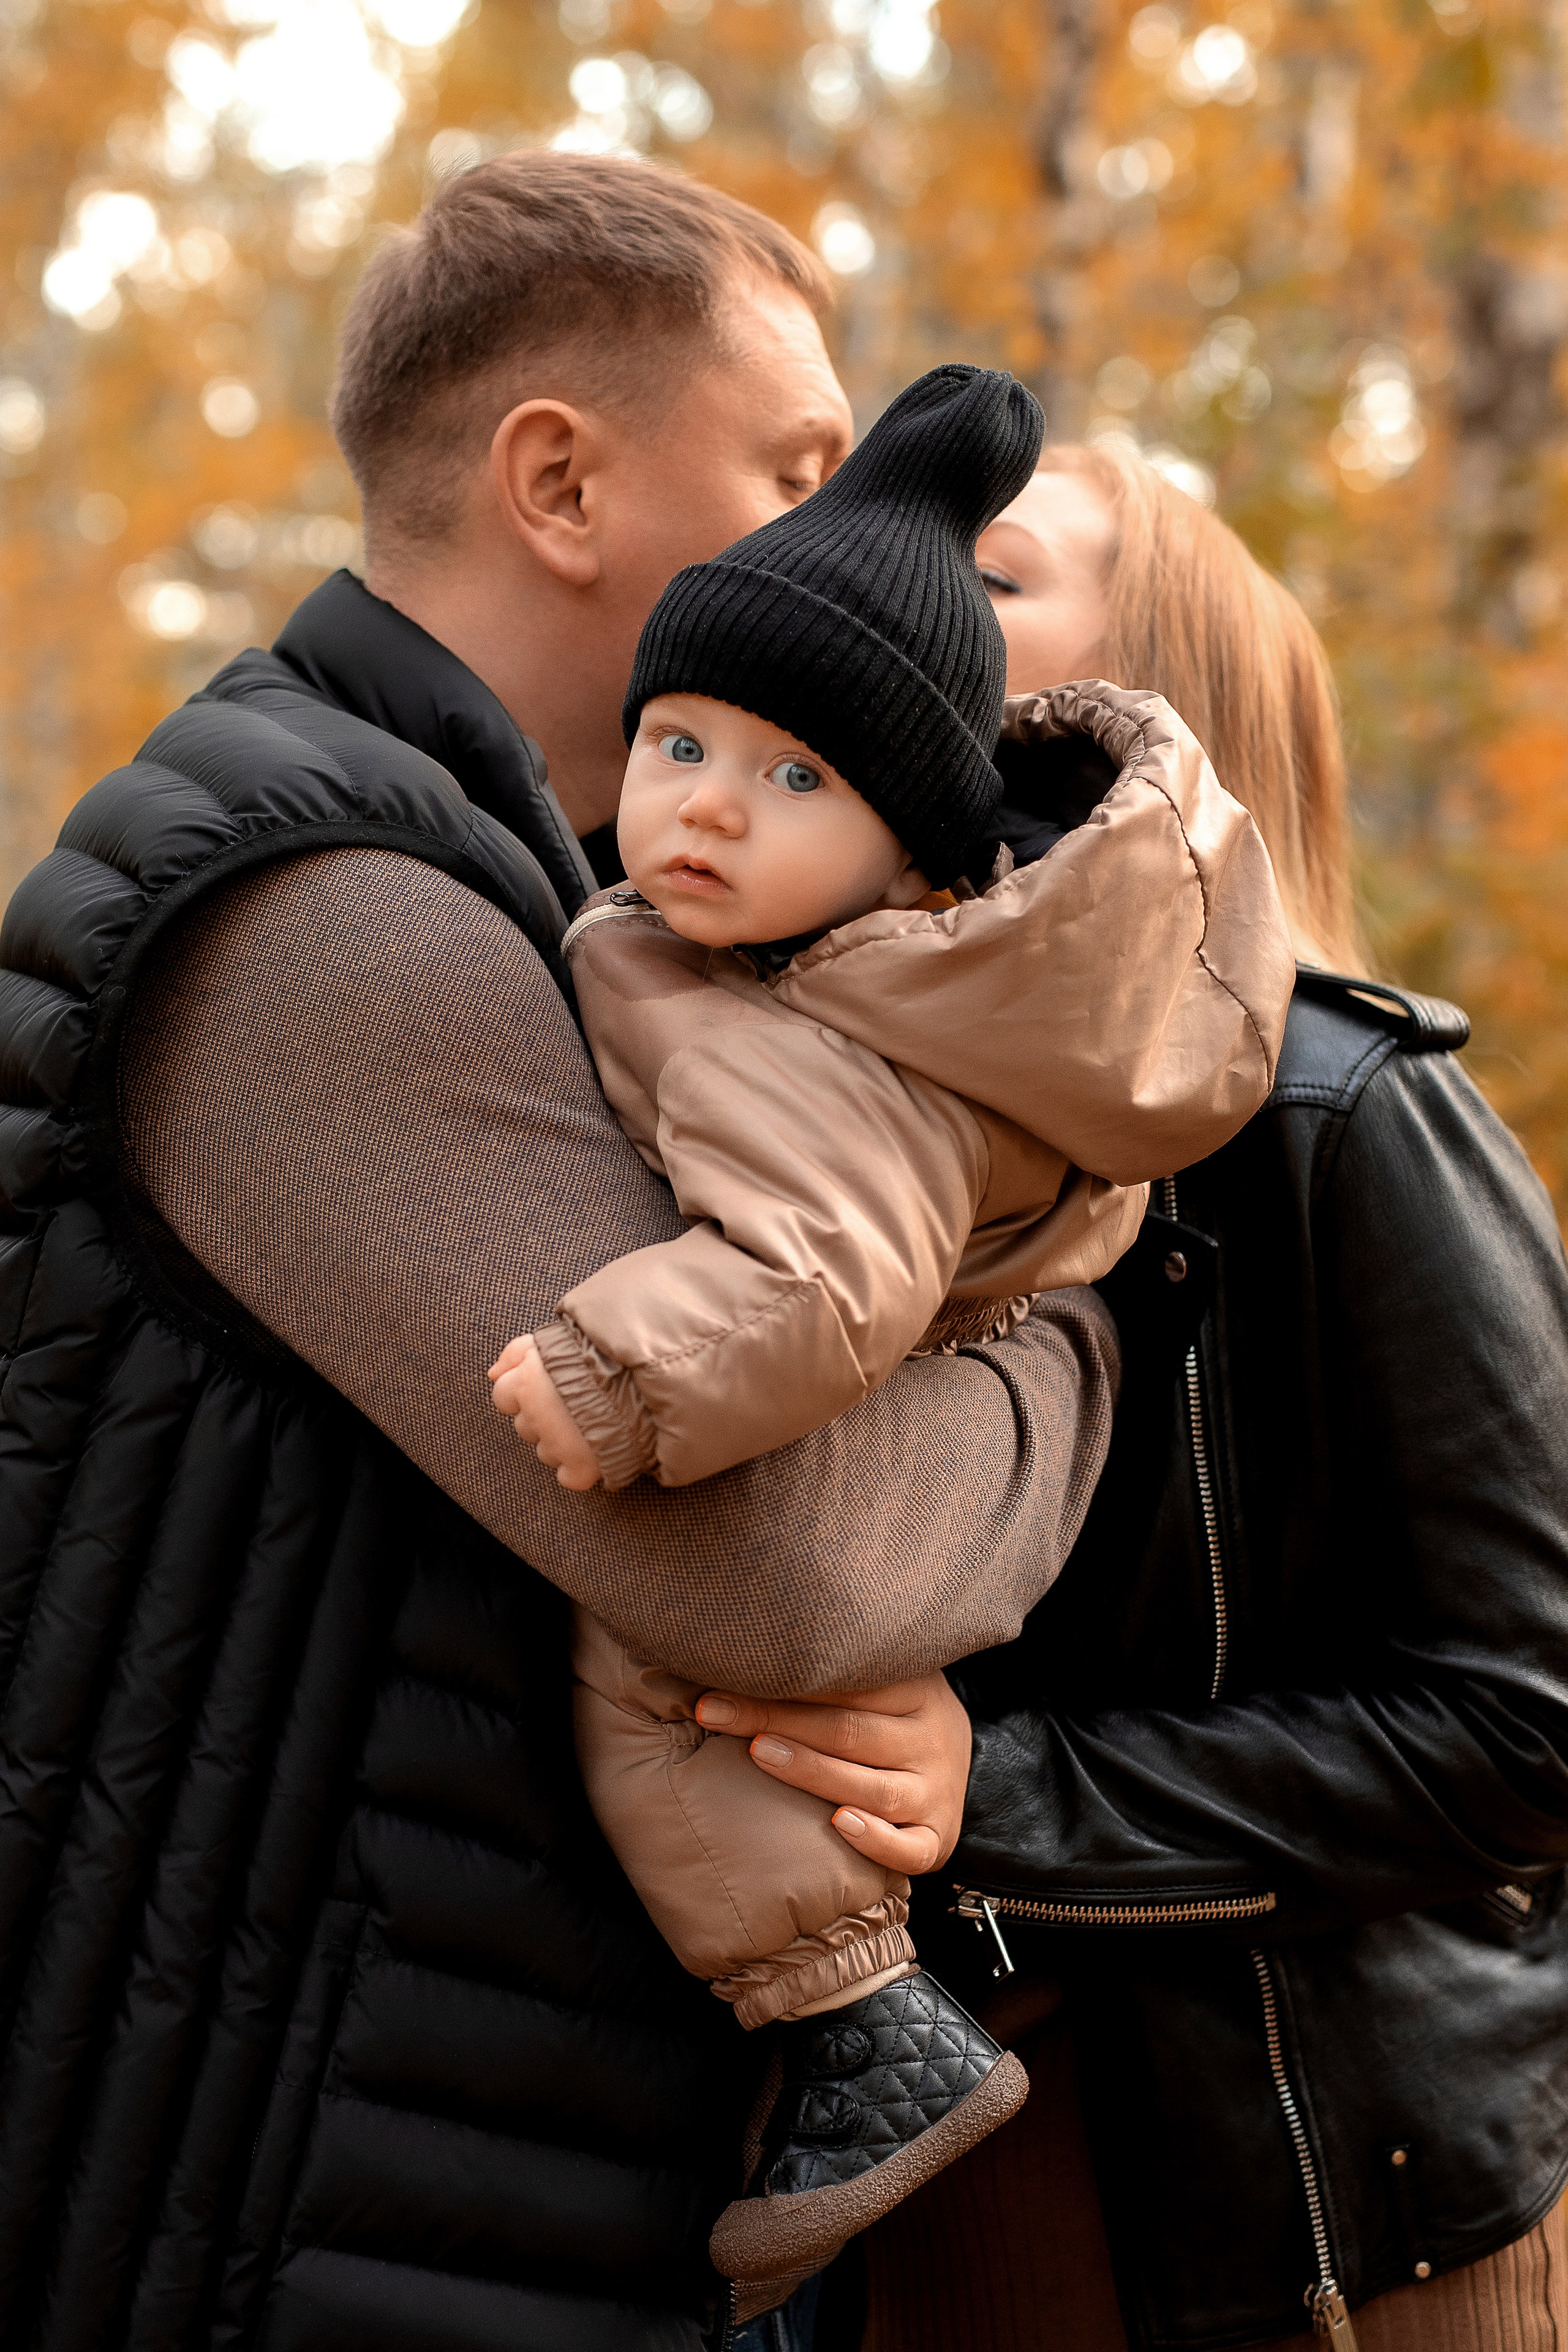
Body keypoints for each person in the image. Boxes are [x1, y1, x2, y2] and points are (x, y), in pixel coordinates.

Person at [0, 160, 1125, 2351]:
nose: (837, 537)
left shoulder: (555, 912)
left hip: (422, 2182)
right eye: (797, 469)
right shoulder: (330, 917)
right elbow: (772, 1562)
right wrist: (1062, 1359)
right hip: (266, 2211)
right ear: (557, 480)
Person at [698, 442, 1568, 2350]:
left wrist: (998, 1795)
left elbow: (1527, 1727)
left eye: (990, 580)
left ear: (1137, 702)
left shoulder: (1354, 1115)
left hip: (1315, 2210)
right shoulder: (815, 1111)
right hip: (930, 2201)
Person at [484, 366, 1294, 2293]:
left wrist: (612, 1366)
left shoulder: (855, 1027)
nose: (704, 801)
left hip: (1237, 2146)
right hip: (1030, 2034)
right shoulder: (786, 960)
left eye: (1005, 589)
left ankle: (843, 2018)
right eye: (675, 744)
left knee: (661, 1676)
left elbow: (825, 1268)